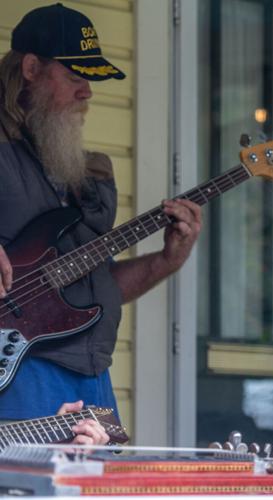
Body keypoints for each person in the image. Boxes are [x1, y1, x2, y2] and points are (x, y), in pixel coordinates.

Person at [0, 3, 201, 420]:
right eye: (75, 77)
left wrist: (167, 259)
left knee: (100, 487)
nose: (87, 92)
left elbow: (96, 284)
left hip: (93, 376)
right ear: (32, 68)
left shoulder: (83, 169)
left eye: (89, 80)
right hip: (19, 375)